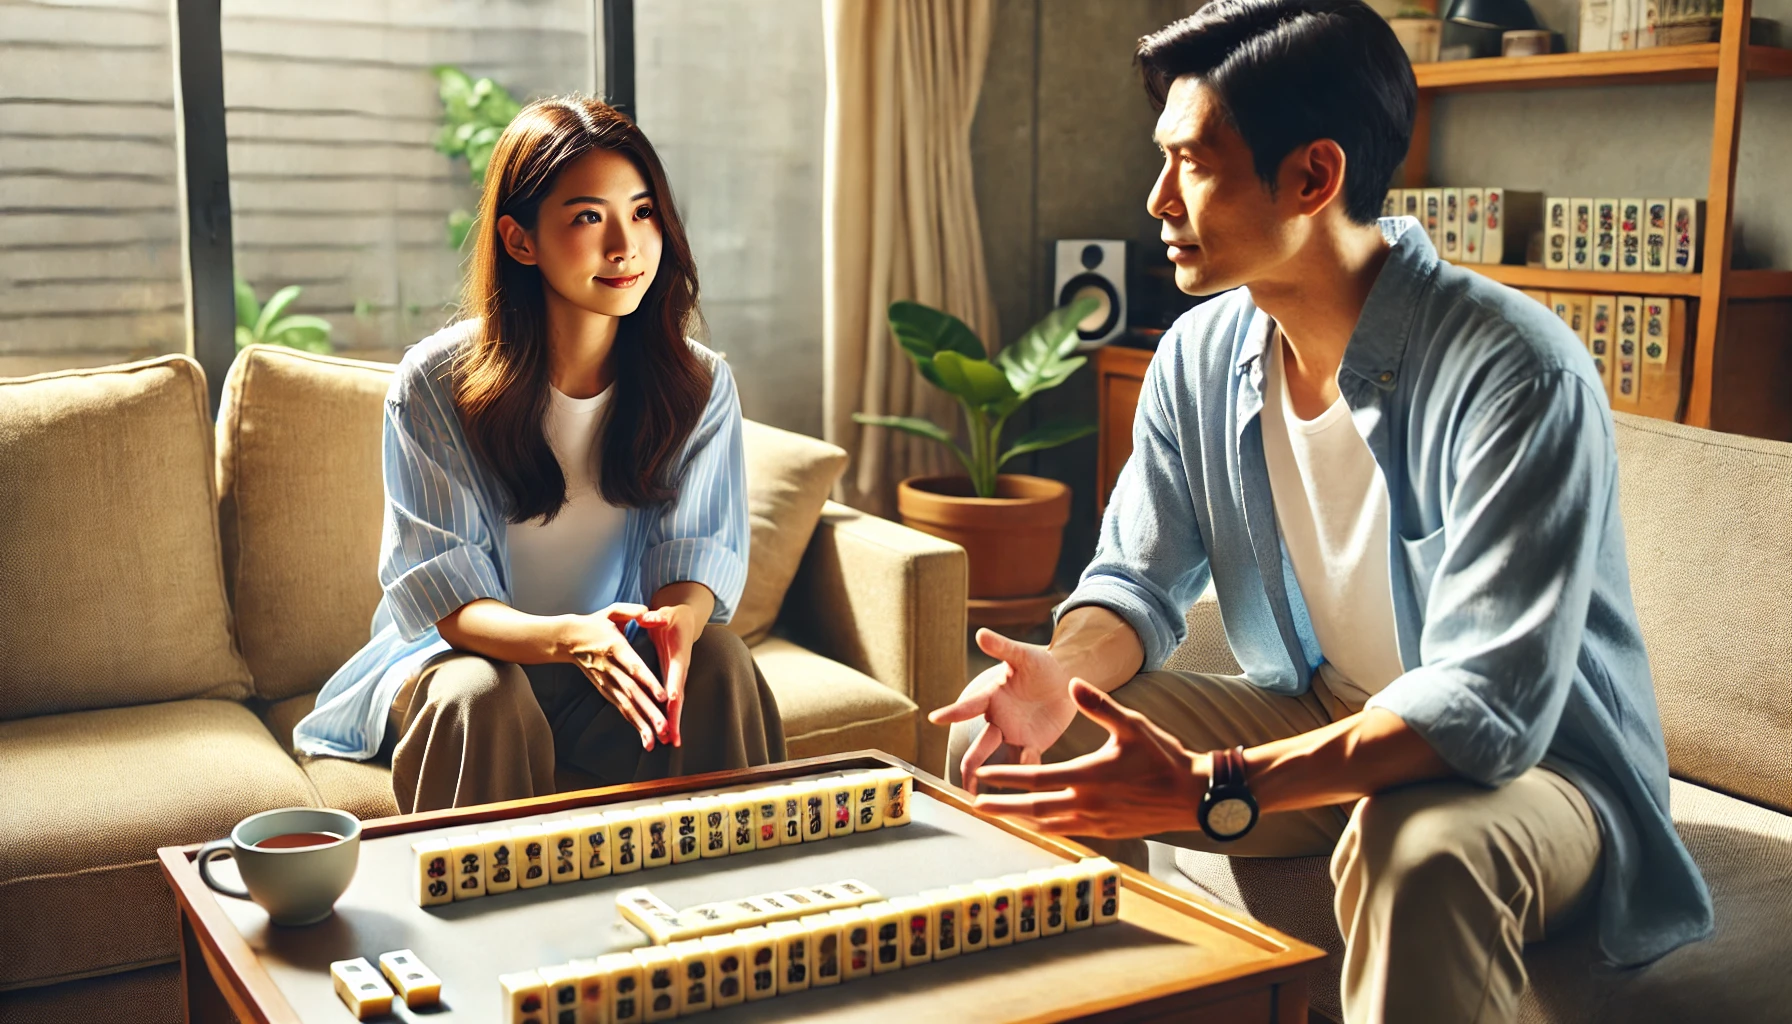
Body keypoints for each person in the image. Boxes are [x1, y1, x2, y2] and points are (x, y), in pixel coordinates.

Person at [932, 2, 1712, 1020]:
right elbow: (1132, 578)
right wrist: (1059, 675)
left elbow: (1484, 707)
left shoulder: (1516, 373)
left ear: (1312, 176)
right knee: (1014, 743)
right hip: (1325, 710)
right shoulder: (1196, 357)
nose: (1156, 197)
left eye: (1192, 163)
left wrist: (1224, 779)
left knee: (1418, 846)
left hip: (1534, 767)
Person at [294, 97, 784, 812]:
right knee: (481, 692)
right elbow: (449, 601)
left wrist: (676, 628)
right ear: (521, 241)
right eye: (589, 217)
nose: (626, 245)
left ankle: (740, 911)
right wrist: (569, 639)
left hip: (610, 672)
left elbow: (693, 563)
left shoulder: (698, 385)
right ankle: (475, 923)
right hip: (468, 664)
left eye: (643, 211)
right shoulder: (434, 387)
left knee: (718, 660)